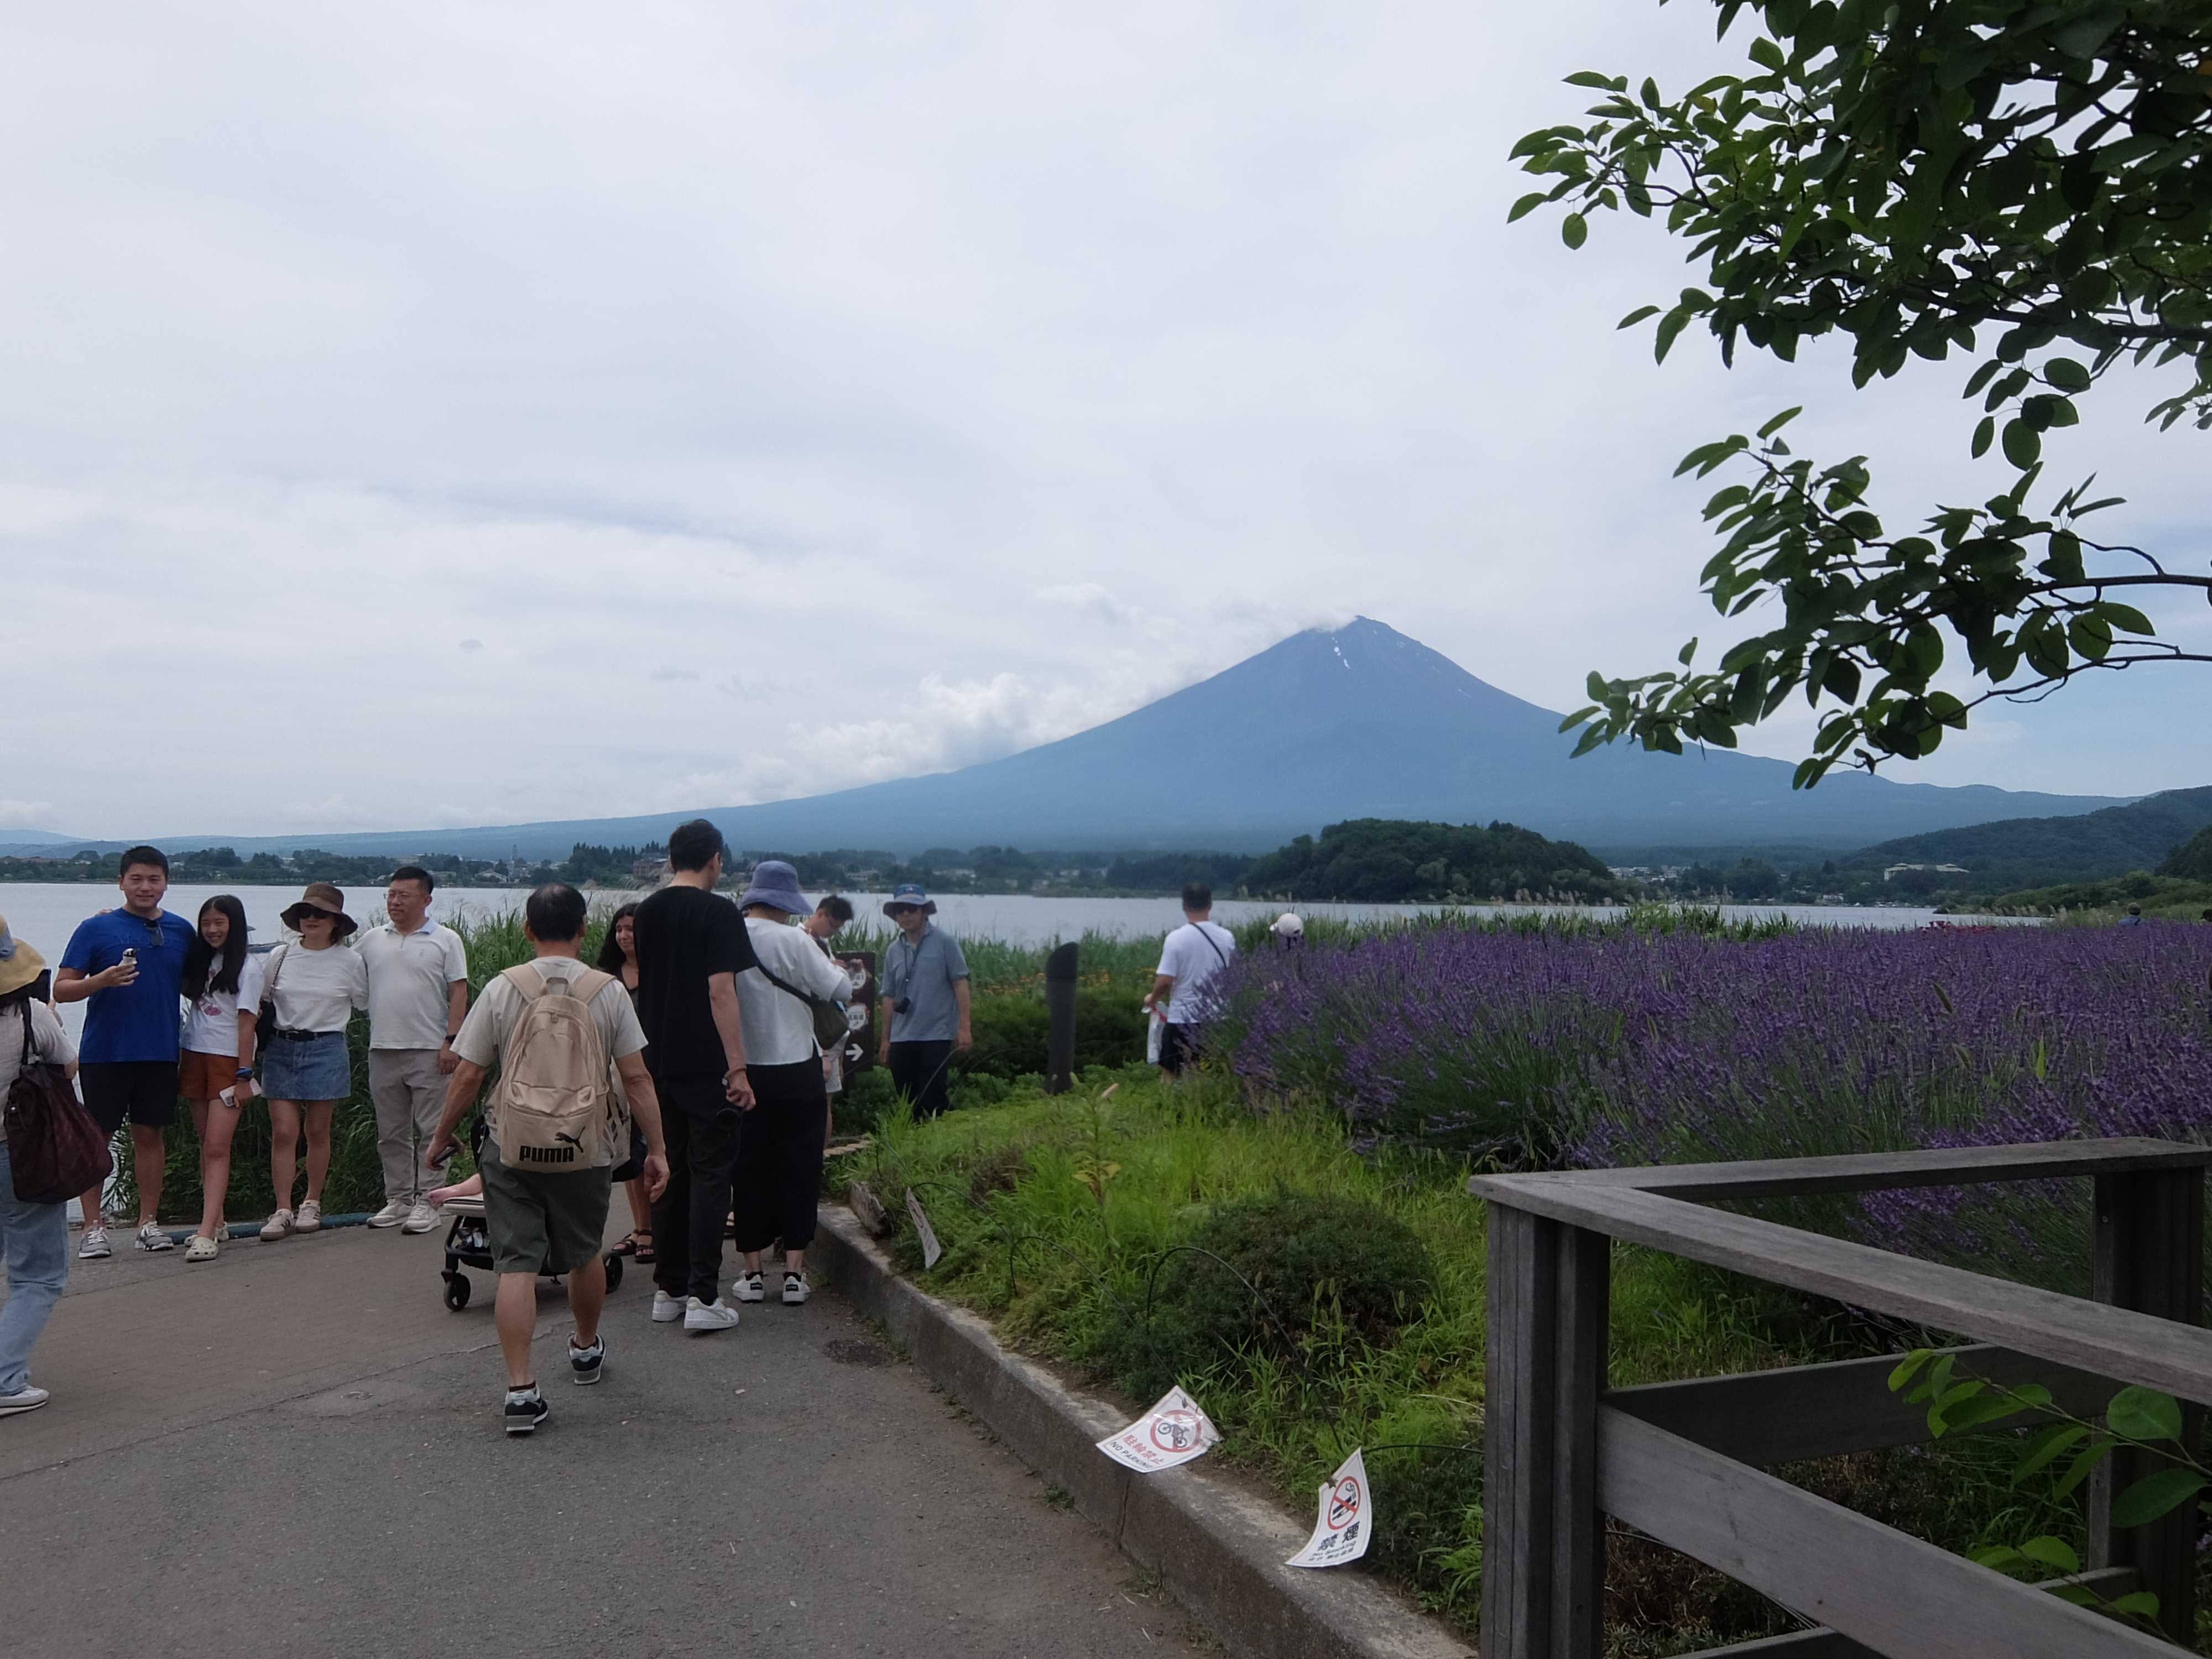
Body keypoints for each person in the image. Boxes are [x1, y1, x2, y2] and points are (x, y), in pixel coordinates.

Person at [426, 883, 669, 1436]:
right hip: (585, 1148)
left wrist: (440, 1136)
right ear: (585, 929)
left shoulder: (502, 988)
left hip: (511, 1145)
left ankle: (520, 1391)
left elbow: (469, 1073)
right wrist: (656, 1150)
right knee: (585, 1252)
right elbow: (635, 1077)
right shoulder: (607, 992)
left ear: (526, 929)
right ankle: (584, 1350)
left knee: (516, 1264)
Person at [632, 818, 756, 1333]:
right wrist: (739, 1068)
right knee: (710, 1176)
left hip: (657, 1063)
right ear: (716, 859)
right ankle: (705, 1296)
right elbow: (720, 992)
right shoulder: (719, 911)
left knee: (669, 1170)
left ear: (670, 859)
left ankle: (670, 1288)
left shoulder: (646, 912)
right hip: (705, 1065)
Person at [55, 846, 195, 1258]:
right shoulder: (95, 929)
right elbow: (61, 990)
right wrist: (101, 980)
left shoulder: (182, 930)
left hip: (160, 1051)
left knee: (150, 1135)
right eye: (137, 879)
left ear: (167, 883)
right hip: (105, 1052)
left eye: (154, 879)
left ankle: (148, 1223)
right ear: (120, 882)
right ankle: (92, 1227)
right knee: (96, 1139)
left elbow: (200, 982)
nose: (146, 887)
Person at [728, 862, 848, 1307]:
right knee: (800, 1166)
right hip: (799, 1067)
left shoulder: (731, 935)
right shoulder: (798, 941)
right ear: (787, 902)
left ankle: (753, 1273)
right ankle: (795, 1274)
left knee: (749, 1169)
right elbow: (840, 988)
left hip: (745, 1071)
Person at [358, 865, 470, 1233]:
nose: (395, 902)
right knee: (391, 1131)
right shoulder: (373, 939)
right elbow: (344, 971)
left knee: (432, 1128)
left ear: (426, 900)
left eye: (404, 895)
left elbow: (459, 990)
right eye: (391, 895)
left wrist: (451, 1042)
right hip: (382, 1048)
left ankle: (430, 1200)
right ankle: (399, 1199)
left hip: (430, 1049)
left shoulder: (446, 939)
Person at [257, 884, 368, 1243]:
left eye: (320, 914)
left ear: (336, 921)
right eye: (306, 913)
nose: (311, 920)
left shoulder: (351, 962)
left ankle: (313, 1201)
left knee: (317, 1132)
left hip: (326, 1047)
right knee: (284, 1132)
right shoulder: (281, 955)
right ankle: (283, 1208)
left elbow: (365, 1003)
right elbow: (260, 999)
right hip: (282, 1046)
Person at [0, 915, 77, 1416]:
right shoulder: (30, 1014)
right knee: (38, 1274)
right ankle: (5, 1380)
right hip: (18, 1153)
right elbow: (68, 1067)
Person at [177, 896, 263, 1262]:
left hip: (229, 1061)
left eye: (220, 923)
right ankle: (218, 1220)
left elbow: (247, 1023)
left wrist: (245, 1075)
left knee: (217, 1146)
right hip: (194, 1053)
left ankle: (206, 1232)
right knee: (205, 1143)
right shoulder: (201, 960)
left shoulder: (248, 967)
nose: (212, 930)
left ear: (235, 925)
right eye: (206, 923)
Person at [877, 883, 970, 1120]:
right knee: (909, 1102)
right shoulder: (893, 951)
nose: (906, 914)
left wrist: (964, 1028)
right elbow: (888, 995)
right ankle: (917, 1148)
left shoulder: (945, 942)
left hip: (936, 1034)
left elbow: (961, 983)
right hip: (902, 1037)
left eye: (912, 908)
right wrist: (885, 1040)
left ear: (924, 912)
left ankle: (948, 1139)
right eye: (901, 910)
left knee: (933, 1098)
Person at [594, 900, 655, 1261]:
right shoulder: (605, 977)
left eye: (631, 929)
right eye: (619, 929)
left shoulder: (663, 971)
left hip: (657, 1072)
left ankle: (664, 1225)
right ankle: (641, 1227)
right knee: (631, 1155)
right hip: (618, 1078)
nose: (624, 936)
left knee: (661, 1150)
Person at [1144, 881, 1238, 1079]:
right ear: (1210, 905)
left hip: (1183, 1018)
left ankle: (1167, 1108)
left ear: (1184, 906)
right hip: (1218, 1017)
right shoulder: (1227, 938)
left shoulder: (1175, 939)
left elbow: (1166, 981)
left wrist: (1152, 998)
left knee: (1170, 1072)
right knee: (1215, 1072)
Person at [805, 895, 856, 1110]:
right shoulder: (802, 942)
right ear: (820, 913)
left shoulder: (823, 943)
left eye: (837, 929)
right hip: (819, 1037)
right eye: (832, 926)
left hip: (834, 1034)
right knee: (817, 1105)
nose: (832, 932)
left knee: (826, 1104)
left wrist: (845, 969)